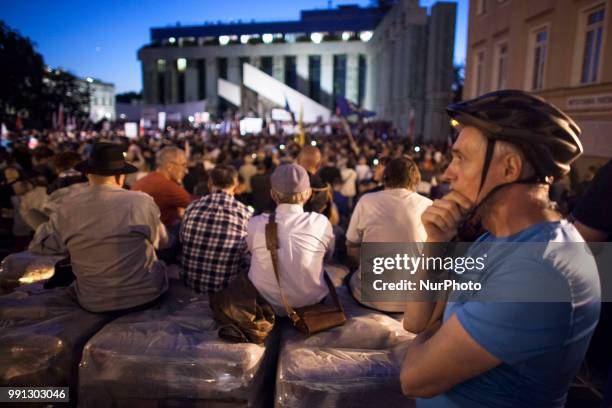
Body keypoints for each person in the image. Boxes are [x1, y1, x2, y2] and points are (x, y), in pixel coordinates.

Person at [400, 90, 601, 407]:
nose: (447, 173)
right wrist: (435, 243)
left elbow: (413, 379)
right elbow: (416, 322)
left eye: (461, 158)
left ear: (509, 169)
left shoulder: (540, 270)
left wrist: (434, 334)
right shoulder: (493, 239)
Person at [29, 142, 169, 314]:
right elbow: (162, 242)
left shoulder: (67, 207)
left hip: (93, 302)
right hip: (146, 296)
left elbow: (42, 245)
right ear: (120, 177)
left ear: (88, 174)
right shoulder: (141, 201)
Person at [247, 163, 334, 315]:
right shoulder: (321, 223)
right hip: (311, 303)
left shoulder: (254, 224)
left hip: (266, 305)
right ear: (307, 194)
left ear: (273, 194)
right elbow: (327, 256)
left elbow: (250, 253)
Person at [346, 157, 431, 312]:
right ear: (415, 179)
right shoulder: (426, 204)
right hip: (412, 301)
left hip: (368, 298)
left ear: (385, 177)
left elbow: (351, 245)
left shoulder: (366, 201)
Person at [180, 165, 251, 293]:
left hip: (190, 284)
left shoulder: (192, 207)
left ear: (209, 184)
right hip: (224, 289)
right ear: (235, 185)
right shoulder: (244, 213)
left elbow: (182, 239)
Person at [132, 146, 192, 228]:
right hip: (159, 234)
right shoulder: (167, 186)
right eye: (183, 165)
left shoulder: (145, 180)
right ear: (169, 166)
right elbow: (194, 205)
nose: (186, 171)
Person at [297, 146, 339, 225]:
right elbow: (331, 220)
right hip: (316, 233)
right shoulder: (324, 189)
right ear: (319, 164)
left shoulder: (286, 184)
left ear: (298, 162)